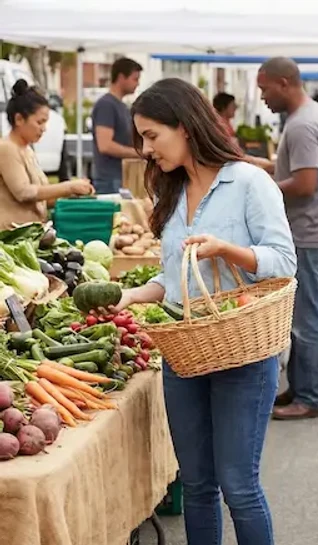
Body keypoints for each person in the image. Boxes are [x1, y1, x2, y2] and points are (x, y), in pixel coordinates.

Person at [115, 78, 296, 545]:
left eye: (152, 136)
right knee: (196, 486)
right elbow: (172, 276)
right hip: (185, 356)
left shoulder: (250, 182)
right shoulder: (170, 193)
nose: (147, 150)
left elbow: (284, 261)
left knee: (238, 487)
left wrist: (227, 251)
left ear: (186, 127)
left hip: (242, 354)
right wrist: (135, 296)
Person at [257, 58, 318, 420]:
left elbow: (305, 184)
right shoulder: (308, 116)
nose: (262, 97)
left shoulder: (302, 125)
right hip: (312, 229)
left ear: (284, 82)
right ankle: (301, 388)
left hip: (309, 231)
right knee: (299, 319)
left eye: (265, 89)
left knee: (305, 322)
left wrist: (264, 191)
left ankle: (313, 398)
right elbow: (295, 171)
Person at [1, 80, 93, 226]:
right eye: (39, 122)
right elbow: (23, 193)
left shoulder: (27, 150)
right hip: (12, 237)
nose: (44, 128)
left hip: (34, 233)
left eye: (45, 122)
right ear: (19, 119)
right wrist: (68, 187)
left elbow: (41, 198)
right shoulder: (6, 148)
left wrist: (72, 193)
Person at [91, 57, 143, 194]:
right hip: (109, 179)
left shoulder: (122, 106)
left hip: (121, 176)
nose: (137, 84)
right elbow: (105, 145)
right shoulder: (106, 105)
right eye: (135, 79)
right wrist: (139, 153)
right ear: (121, 77)